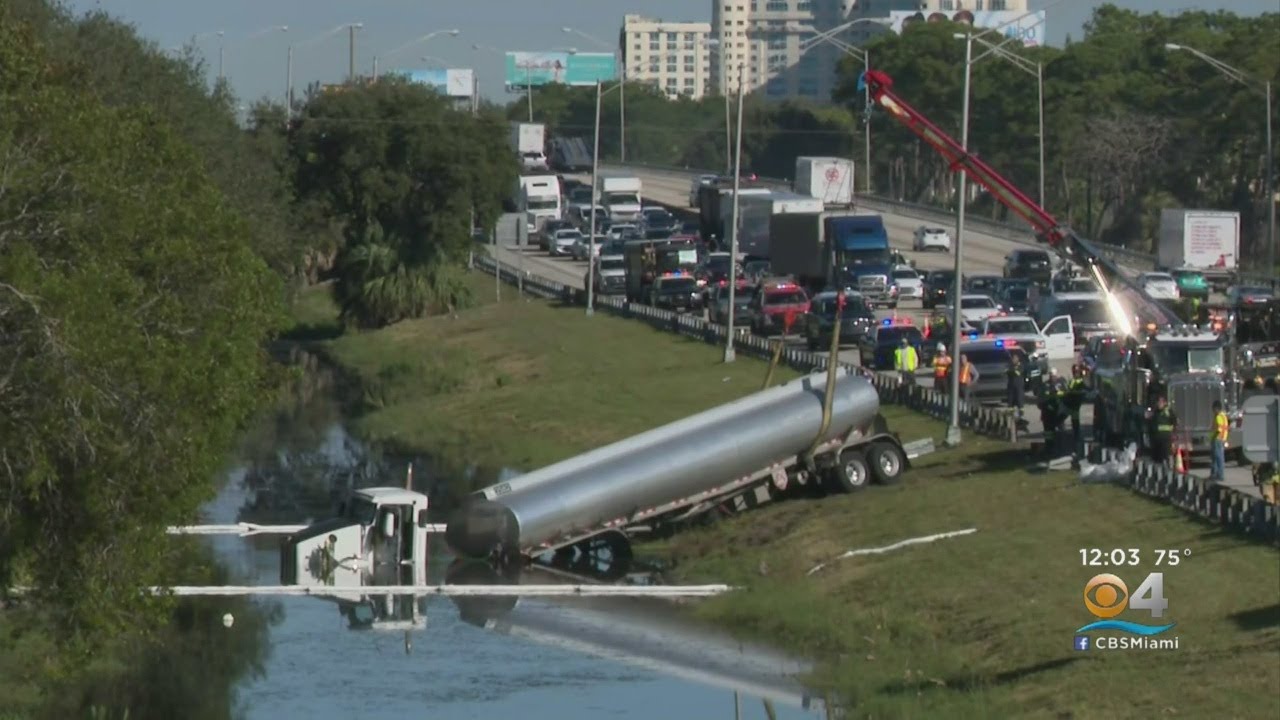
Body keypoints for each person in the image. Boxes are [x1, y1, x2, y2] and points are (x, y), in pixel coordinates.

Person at [1038, 367, 1065, 456]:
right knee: (1048, 433)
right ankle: (1049, 448)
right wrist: (1045, 406)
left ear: (1056, 375)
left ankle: (1061, 448)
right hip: (1047, 414)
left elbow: (1066, 397)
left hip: (1058, 413)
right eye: (1050, 375)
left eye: (1053, 375)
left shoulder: (1061, 384)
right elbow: (1040, 400)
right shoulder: (1044, 385)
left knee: (1060, 432)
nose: (1052, 377)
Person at [1147, 394, 1176, 466]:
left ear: (1164, 403)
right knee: (1156, 458)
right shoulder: (1155, 412)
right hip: (1156, 439)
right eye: (1158, 402)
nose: (1159, 404)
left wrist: (1172, 433)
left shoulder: (1168, 412)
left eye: (1161, 402)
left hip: (1165, 438)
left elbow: (1174, 422)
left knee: (1166, 455)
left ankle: (1167, 469)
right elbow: (1151, 424)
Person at [1064, 365, 1088, 453]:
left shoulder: (1080, 381)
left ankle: (1076, 434)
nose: (1075, 373)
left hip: (1075, 402)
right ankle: (1074, 433)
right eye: (1074, 372)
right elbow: (1069, 390)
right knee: (1073, 418)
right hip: (1072, 402)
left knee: (1075, 419)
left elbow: (1084, 389)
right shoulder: (1073, 380)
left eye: (1076, 372)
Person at [1210, 400, 1229, 481]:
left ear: (1216, 408)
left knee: (1217, 458)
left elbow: (1219, 429)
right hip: (1221, 439)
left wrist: (1214, 437)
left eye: (1213, 409)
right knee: (1217, 458)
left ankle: (1219, 475)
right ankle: (1215, 474)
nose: (1213, 411)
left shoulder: (1218, 417)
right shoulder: (1223, 416)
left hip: (1217, 439)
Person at [1006, 351, 1025, 422]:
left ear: (1018, 359)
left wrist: (1011, 371)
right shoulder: (1010, 365)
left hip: (1019, 385)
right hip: (1011, 385)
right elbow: (1006, 372)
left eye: (1015, 358)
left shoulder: (1021, 365)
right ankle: (1011, 411)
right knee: (1010, 399)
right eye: (1013, 358)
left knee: (1019, 398)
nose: (1013, 360)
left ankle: (1021, 413)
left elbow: (1017, 373)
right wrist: (1011, 371)